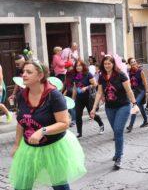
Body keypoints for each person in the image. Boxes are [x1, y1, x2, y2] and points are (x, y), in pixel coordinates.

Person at [9, 60, 86, 190]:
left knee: (59, 186)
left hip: (53, 147)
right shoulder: (22, 95)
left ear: (40, 76)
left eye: (29, 72)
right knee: (21, 185)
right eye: (23, 72)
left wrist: (41, 131)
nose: (23, 75)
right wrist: (17, 144)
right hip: (29, 148)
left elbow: (64, 123)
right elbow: (20, 122)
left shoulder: (54, 95)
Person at [91, 55, 139, 169]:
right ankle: (118, 152)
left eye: (109, 63)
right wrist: (94, 108)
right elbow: (99, 93)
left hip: (123, 106)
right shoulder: (102, 77)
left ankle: (118, 157)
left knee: (118, 130)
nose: (107, 65)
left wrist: (135, 103)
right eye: (105, 63)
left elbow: (129, 90)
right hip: (109, 108)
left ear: (113, 64)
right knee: (115, 131)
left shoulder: (121, 75)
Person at [72, 60, 104, 138]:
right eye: (77, 66)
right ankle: (79, 133)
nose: (78, 67)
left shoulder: (88, 75)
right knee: (78, 115)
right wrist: (73, 99)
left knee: (91, 114)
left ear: (83, 66)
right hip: (79, 98)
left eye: (80, 65)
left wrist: (86, 87)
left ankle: (101, 123)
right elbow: (75, 88)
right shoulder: (75, 75)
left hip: (88, 97)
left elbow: (95, 84)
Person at [126, 57, 148, 132]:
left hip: (141, 91)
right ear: (129, 64)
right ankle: (146, 121)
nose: (133, 63)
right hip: (134, 92)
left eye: (134, 61)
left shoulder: (140, 71)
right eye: (131, 62)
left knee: (135, 106)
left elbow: (145, 82)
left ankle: (130, 125)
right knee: (140, 106)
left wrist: (147, 91)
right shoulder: (129, 72)